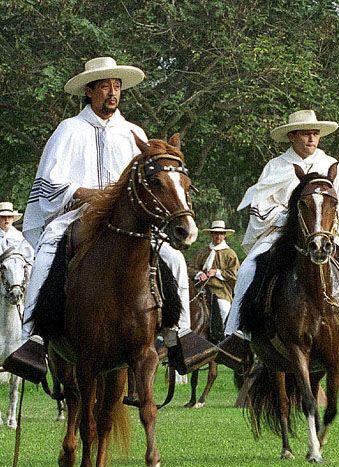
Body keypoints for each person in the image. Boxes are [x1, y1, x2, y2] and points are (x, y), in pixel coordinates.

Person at [12, 56, 213, 370]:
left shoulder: (133, 132)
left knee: (172, 257)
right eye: (104, 86)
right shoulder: (70, 130)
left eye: (116, 86)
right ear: (89, 91)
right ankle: (35, 337)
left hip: (127, 219)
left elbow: (153, 179)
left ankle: (180, 333)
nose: (112, 92)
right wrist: (90, 194)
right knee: (49, 250)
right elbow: (49, 182)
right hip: (80, 214)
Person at [218, 110, 339, 363]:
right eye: (306, 134)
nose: (311, 139)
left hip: (328, 233)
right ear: (293, 136)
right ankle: (237, 335)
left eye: (315, 134)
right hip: (281, 235)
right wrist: (290, 219)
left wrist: (326, 225)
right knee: (248, 269)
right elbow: (261, 207)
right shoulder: (275, 167)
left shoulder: (332, 166)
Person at [189, 220, 240, 324]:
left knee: (223, 309)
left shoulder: (230, 254)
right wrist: (199, 274)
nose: (218, 236)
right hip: (199, 288)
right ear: (212, 234)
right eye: (216, 233)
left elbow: (234, 274)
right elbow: (190, 268)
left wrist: (217, 272)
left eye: (221, 234)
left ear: (224, 235)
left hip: (220, 291)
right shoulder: (203, 252)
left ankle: (220, 335)